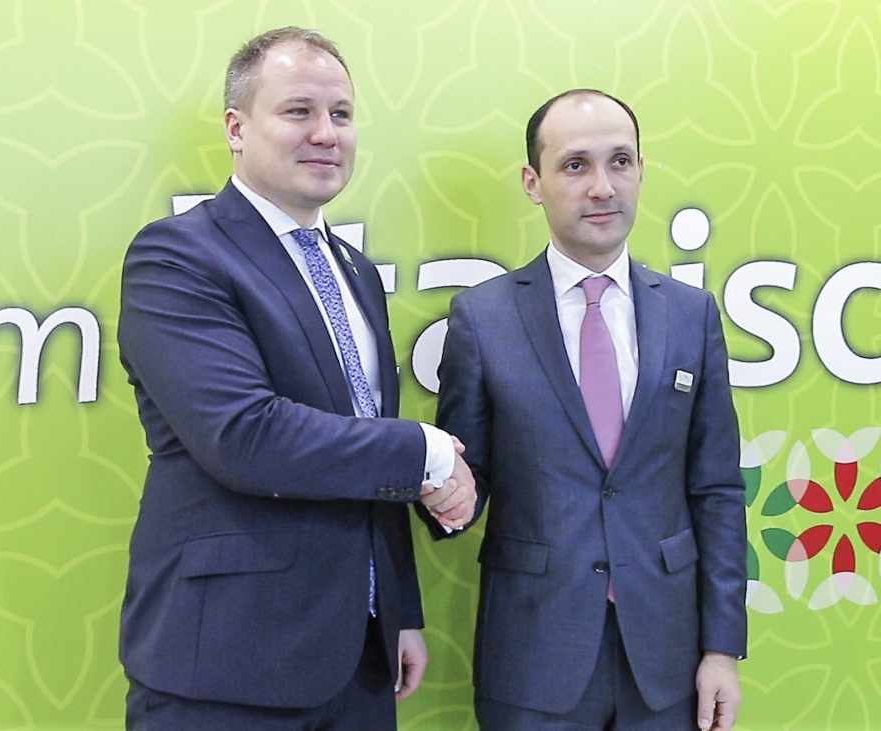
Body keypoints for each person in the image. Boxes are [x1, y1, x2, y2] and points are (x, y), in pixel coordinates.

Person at [117, 26, 475, 730]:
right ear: (236, 128)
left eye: (341, 114)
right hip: (225, 662)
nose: (325, 133)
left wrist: (396, 608)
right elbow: (244, 435)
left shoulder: (355, 271)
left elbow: (361, 442)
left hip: (358, 659)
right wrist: (428, 451)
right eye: (298, 111)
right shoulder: (178, 255)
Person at [431, 89, 747, 730]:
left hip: (667, 657)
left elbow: (716, 489)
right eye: (575, 165)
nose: (602, 187)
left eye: (620, 161)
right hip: (533, 655)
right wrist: (442, 492)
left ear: (641, 171)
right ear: (534, 182)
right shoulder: (483, 318)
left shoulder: (691, 314)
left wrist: (721, 648)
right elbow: (466, 474)